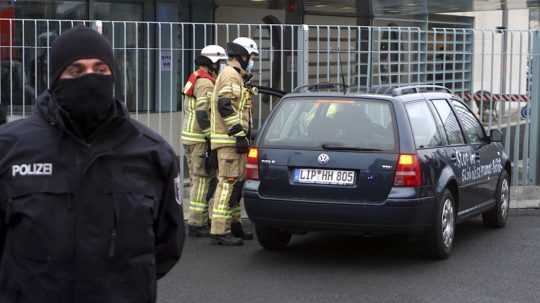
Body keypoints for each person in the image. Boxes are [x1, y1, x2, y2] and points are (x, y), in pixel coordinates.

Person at [0, 26, 184, 303]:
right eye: (76, 70)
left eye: (100, 70)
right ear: (54, 78)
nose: (90, 78)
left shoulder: (152, 153)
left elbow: (168, 244)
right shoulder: (9, 148)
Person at [209, 37, 259, 246]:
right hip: (229, 141)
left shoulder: (237, 77)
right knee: (227, 183)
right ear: (242, 56)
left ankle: (234, 224)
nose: (252, 61)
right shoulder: (230, 76)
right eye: (252, 57)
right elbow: (224, 105)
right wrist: (238, 133)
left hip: (235, 141)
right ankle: (220, 229)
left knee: (236, 183)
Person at [182, 45, 227, 237]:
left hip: (190, 136)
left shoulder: (194, 77)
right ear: (213, 62)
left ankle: (197, 219)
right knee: (202, 180)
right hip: (200, 138)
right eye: (220, 62)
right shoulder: (206, 83)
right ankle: (196, 222)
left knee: (196, 178)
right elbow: (203, 113)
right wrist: (211, 136)